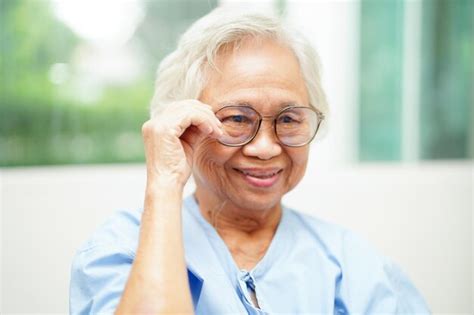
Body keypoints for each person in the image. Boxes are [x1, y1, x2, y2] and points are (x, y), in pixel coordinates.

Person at [69, 7, 430, 315]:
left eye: (289, 119)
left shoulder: (355, 265)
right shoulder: (118, 250)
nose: (265, 147)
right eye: (237, 119)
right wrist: (164, 184)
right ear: (184, 125)